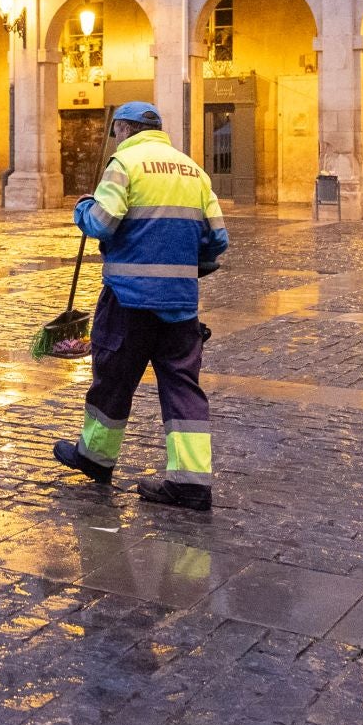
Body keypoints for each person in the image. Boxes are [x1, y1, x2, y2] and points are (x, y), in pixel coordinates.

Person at [52, 101, 228, 511]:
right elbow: (218, 240)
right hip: (181, 305)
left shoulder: (124, 164)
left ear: (123, 130)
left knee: (113, 376)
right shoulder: (193, 171)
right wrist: (185, 266)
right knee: (182, 385)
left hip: (128, 299)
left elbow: (102, 222)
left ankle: (95, 457)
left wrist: (82, 208)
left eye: (115, 133)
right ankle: (190, 482)